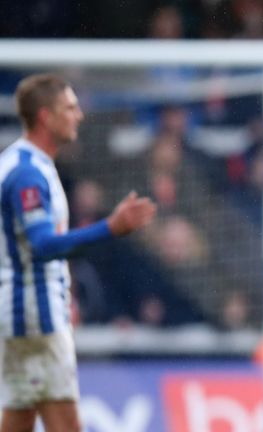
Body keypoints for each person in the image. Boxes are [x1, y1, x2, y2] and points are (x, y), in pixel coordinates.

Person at [0, 73, 157, 432]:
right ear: (45, 116)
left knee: (18, 422)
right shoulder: (27, 174)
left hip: (24, 314)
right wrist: (110, 227)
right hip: (36, 318)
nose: (79, 115)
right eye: (69, 108)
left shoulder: (27, 164)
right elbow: (40, 246)